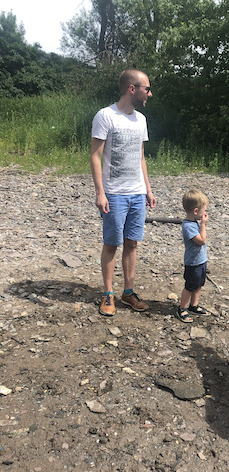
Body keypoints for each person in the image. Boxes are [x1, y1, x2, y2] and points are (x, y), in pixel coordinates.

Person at [90, 68, 157, 317]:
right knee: (111, 244)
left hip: (137, 194)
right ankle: (108, 294)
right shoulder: (105, 116)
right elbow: (95, 156)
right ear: (133, 89)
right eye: (146, 88)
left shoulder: (141, 120)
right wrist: (100, 192)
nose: (149, 93)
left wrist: (148, 190)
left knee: (132, 244)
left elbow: (140, 157)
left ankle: (128, 292)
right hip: (114, 194)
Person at [176, 189, 211, 323]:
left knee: (199, 284)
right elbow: (202, 240)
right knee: (190, 286)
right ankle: (182, 308)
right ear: (196, 211)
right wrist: (203, 225)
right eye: (204, 210)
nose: (205, 213)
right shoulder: (188, 226)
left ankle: (193, 305)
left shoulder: (193, 223)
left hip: (201, 260)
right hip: (193, 263)